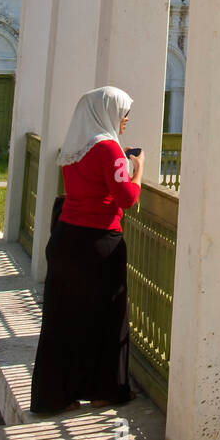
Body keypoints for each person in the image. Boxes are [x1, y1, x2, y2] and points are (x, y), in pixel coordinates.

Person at [30, 86, 142, 414]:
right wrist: (140, 167)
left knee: (63, 318)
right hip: (99, 245)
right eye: (123, 112)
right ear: (106, 113)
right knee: (107, 317)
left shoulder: (74, 148)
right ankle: (105, 390)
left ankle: (55, 395)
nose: (126, 120)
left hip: (65, 239)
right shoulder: (108, 149)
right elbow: (128, 198)